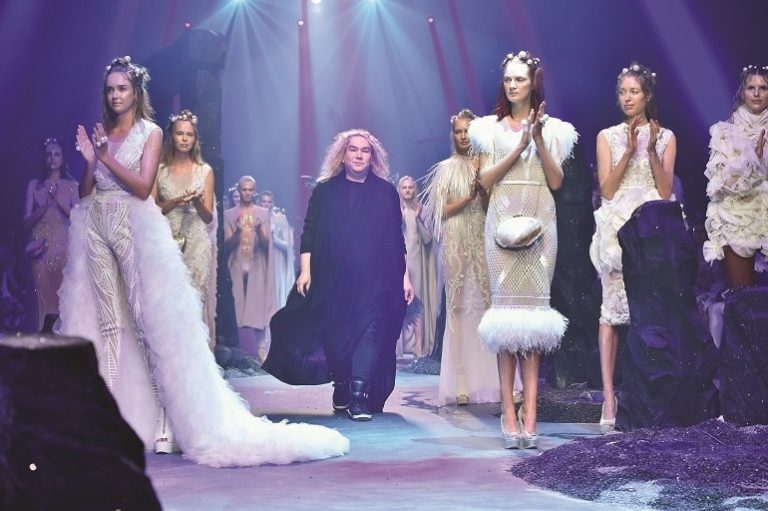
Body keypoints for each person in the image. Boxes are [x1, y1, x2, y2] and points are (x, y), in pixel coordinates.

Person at [58, 56, 348, 466]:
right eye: (110, 89)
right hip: (95, 227)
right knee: (109, 326)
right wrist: (91, 162)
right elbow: (86, 192)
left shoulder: (150, 132)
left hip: (132, 228)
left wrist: (105, 157)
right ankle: (104, 418)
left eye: (122, 88)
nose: (115, 95)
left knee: (144, 325)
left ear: (135, 92)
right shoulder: (103, 133)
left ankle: (164, 420)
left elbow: (142, 188)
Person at [264, 129, 413, 422]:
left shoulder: (386, 193)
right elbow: (309, 231)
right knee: (337, 336)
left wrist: (405, 277)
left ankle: (358, 396)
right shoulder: (325, 191)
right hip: (333, 279)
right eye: (353, 150)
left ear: (373, 157)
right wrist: (306, 272)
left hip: (377, 280)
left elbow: (397, 240)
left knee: (371, 330)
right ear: (342, 156)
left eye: (365, 150)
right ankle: (342, 383)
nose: (359, 155)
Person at [470, 51, 577, 448]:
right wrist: (517, 147)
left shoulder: (556, 130)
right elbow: (484, 181)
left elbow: (556, 181)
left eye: (520, 79)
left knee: (532, 322)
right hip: (501, 221)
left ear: (534, 82)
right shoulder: (489, 129)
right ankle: (508, 409)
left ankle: (531, 411)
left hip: (540, 220)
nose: (513, 85)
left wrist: (538, 140)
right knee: (506, 321)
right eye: (508, 79)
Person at [589, 62, 677, 432]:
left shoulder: (665, 136)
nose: (628, 98)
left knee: (649, 314)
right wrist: (627, 151)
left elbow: (665, 192)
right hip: (616, 229)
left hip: (650, 229)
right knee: (611, 312)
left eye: (634, 92)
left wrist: (651, 150)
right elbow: (607, 190)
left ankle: (647, 395)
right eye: (623, 92)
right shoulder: (606, 136)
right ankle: (609, 396)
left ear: (647, 95)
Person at [423, 109, 500, 406]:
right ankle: (461, 378)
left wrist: (482, 188)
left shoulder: (486, 165)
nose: (463, 136)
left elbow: (493, 205)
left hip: (481, 235)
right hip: (455, 238)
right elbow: (439, 211)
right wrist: (466, 198)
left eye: (468, 131)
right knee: (456, 307)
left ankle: (495, 378)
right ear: (452, 134)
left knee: (487, 305)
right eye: (459, 131)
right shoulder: (445, 169)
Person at [153, 110, 217, 347]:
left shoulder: (204, 170)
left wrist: (197, 202)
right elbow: (152, 209)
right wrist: (176, 201)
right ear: (172, 136)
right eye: (180, 133)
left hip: (196, 242)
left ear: (195, 139)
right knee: (167, 299)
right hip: (165, 240)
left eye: (189, 135)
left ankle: (194, 354)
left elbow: (208, 217)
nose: (184, 138)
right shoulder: (159, 170)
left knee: (194, 299)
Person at [703, 65, 768, 288]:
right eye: (751, 88)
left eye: (763, 88)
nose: (757, 93)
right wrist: (751, 163)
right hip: (737, 217)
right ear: (743, 91)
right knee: (742, 297)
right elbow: (719, 185)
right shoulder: (725, 133)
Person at [23, 138, 79, 332]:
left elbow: (78, 218)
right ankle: (40, 339)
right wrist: (45, 205)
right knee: (42, 299)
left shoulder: (72, 186)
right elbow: (25, 222)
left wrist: (56, 198)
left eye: (56, 154)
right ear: (44, 158)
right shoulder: (34, 185)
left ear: (63, 159)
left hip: (64, 249)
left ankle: (63, 341)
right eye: (48, 154)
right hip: (41, 249)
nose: (52, 158)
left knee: (63, 299)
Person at [224, 176, 276, 361]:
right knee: (235, 307)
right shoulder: (229, 214)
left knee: (257, 308)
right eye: (244, 190)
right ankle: (234, 350)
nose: (247, 193)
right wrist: (239, 230)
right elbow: (227, 247)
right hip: (236, 267)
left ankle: (261, 351)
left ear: (254, 191)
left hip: (257, 267)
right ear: (239, 191)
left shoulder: (263, 213)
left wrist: (259, 230)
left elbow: (267, 246)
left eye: (250, 190)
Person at [396, 176, 438, 359]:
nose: (407, 190)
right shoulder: (395, 210)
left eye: (410, 187)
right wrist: (399, 217)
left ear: (415, 189)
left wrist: (419, 218)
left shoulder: (422, 210)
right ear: (399, 190)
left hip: (417, 264)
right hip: (399, 263)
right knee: (398, 302)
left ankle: (418, 348)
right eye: (404, 187)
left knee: (418, 304)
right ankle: (398, 348)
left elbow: (428, 240)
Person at [260, 191, 295, 309]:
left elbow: (288, 246)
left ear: (273, 203)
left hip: (277, 262)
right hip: (260, 261)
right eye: (264, 201)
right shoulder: (255, 218)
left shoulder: (280, 219)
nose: (267, 204)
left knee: (277, 291)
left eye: (269, 201)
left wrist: (273, 238)